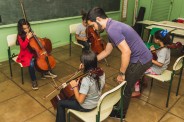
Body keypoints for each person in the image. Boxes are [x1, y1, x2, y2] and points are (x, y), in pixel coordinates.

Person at [86, 7, 152, 120]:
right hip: (140, 58)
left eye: (93, 25)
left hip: (141, 60)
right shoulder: (112, 26)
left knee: (126, 87)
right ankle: (119, 107)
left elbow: (126, 52)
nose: (94, 29)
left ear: (98, 19)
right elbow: (107, 51)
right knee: (124, 84)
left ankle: (121, 114)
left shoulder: (112, 29)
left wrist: (121, 73)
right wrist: (90, 61)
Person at [56, 50, 105, 122]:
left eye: (82, 62)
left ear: (85, 64)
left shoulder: (86, 80)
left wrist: (75, 87)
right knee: (68, 94)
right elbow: (100, 85)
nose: (81, 63)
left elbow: (80, 101)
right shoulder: (101, 72)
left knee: (60, 103)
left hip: (86, 107)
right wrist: (82, 70)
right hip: (96, 102)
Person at [16, 19, 57, 90]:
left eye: (28, 27)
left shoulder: (31, 32)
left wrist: (36, 37)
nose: (27, 29)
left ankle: (45, 72)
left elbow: (36, 43)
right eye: (25, 28)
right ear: (21, 28)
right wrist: (27, 38)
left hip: (34, 51)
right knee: (31, 64)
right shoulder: (20, 36)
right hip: (25, 53)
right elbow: (23, 47)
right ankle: (33, 80)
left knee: (44, 58)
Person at [132, 30, 171, 97]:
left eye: (155, 38)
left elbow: (160, 64)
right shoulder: (165, 47)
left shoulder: (163, 50)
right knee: (142, 65)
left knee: (136, 71)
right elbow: (160, 57)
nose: (154, 39)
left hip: (157, 69)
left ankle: (137, 91)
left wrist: (150, 59)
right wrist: (154, 51)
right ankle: (144, 81)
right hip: (159, 68)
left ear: (158, 40)